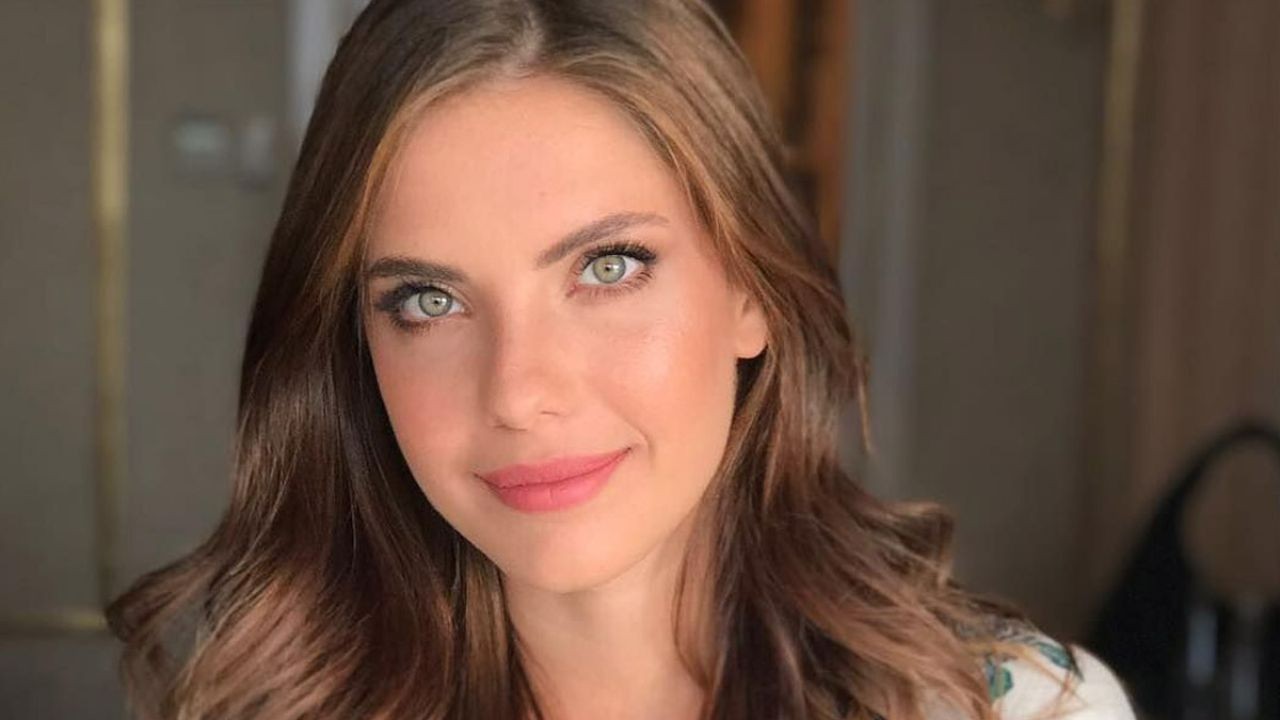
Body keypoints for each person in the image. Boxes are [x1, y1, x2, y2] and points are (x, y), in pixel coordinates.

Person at [106, 1, 1138, 718]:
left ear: (751, 289)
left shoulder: (1019, 712)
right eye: (429, 300)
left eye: (608, 267)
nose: (519, 391)